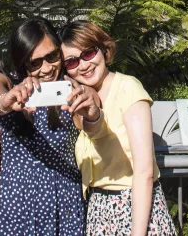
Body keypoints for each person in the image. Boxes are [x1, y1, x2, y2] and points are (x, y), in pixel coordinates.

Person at [0, 18, 102, 236]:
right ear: (22, 62)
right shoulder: (5, 82)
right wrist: (5, 102)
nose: (47, 68)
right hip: (9, 208)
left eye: (52, 57)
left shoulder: (71, 90)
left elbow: (89, 126)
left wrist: (91, 111)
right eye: (35, 63)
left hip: (60, 206)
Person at [60, 21, 177, 236]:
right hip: (99, 212)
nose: (83, 65)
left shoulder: (127, 88)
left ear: (104, 50)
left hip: (134, 211)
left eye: (88, 53)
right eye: (72, 62)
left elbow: (144, 171)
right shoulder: (81, 101)